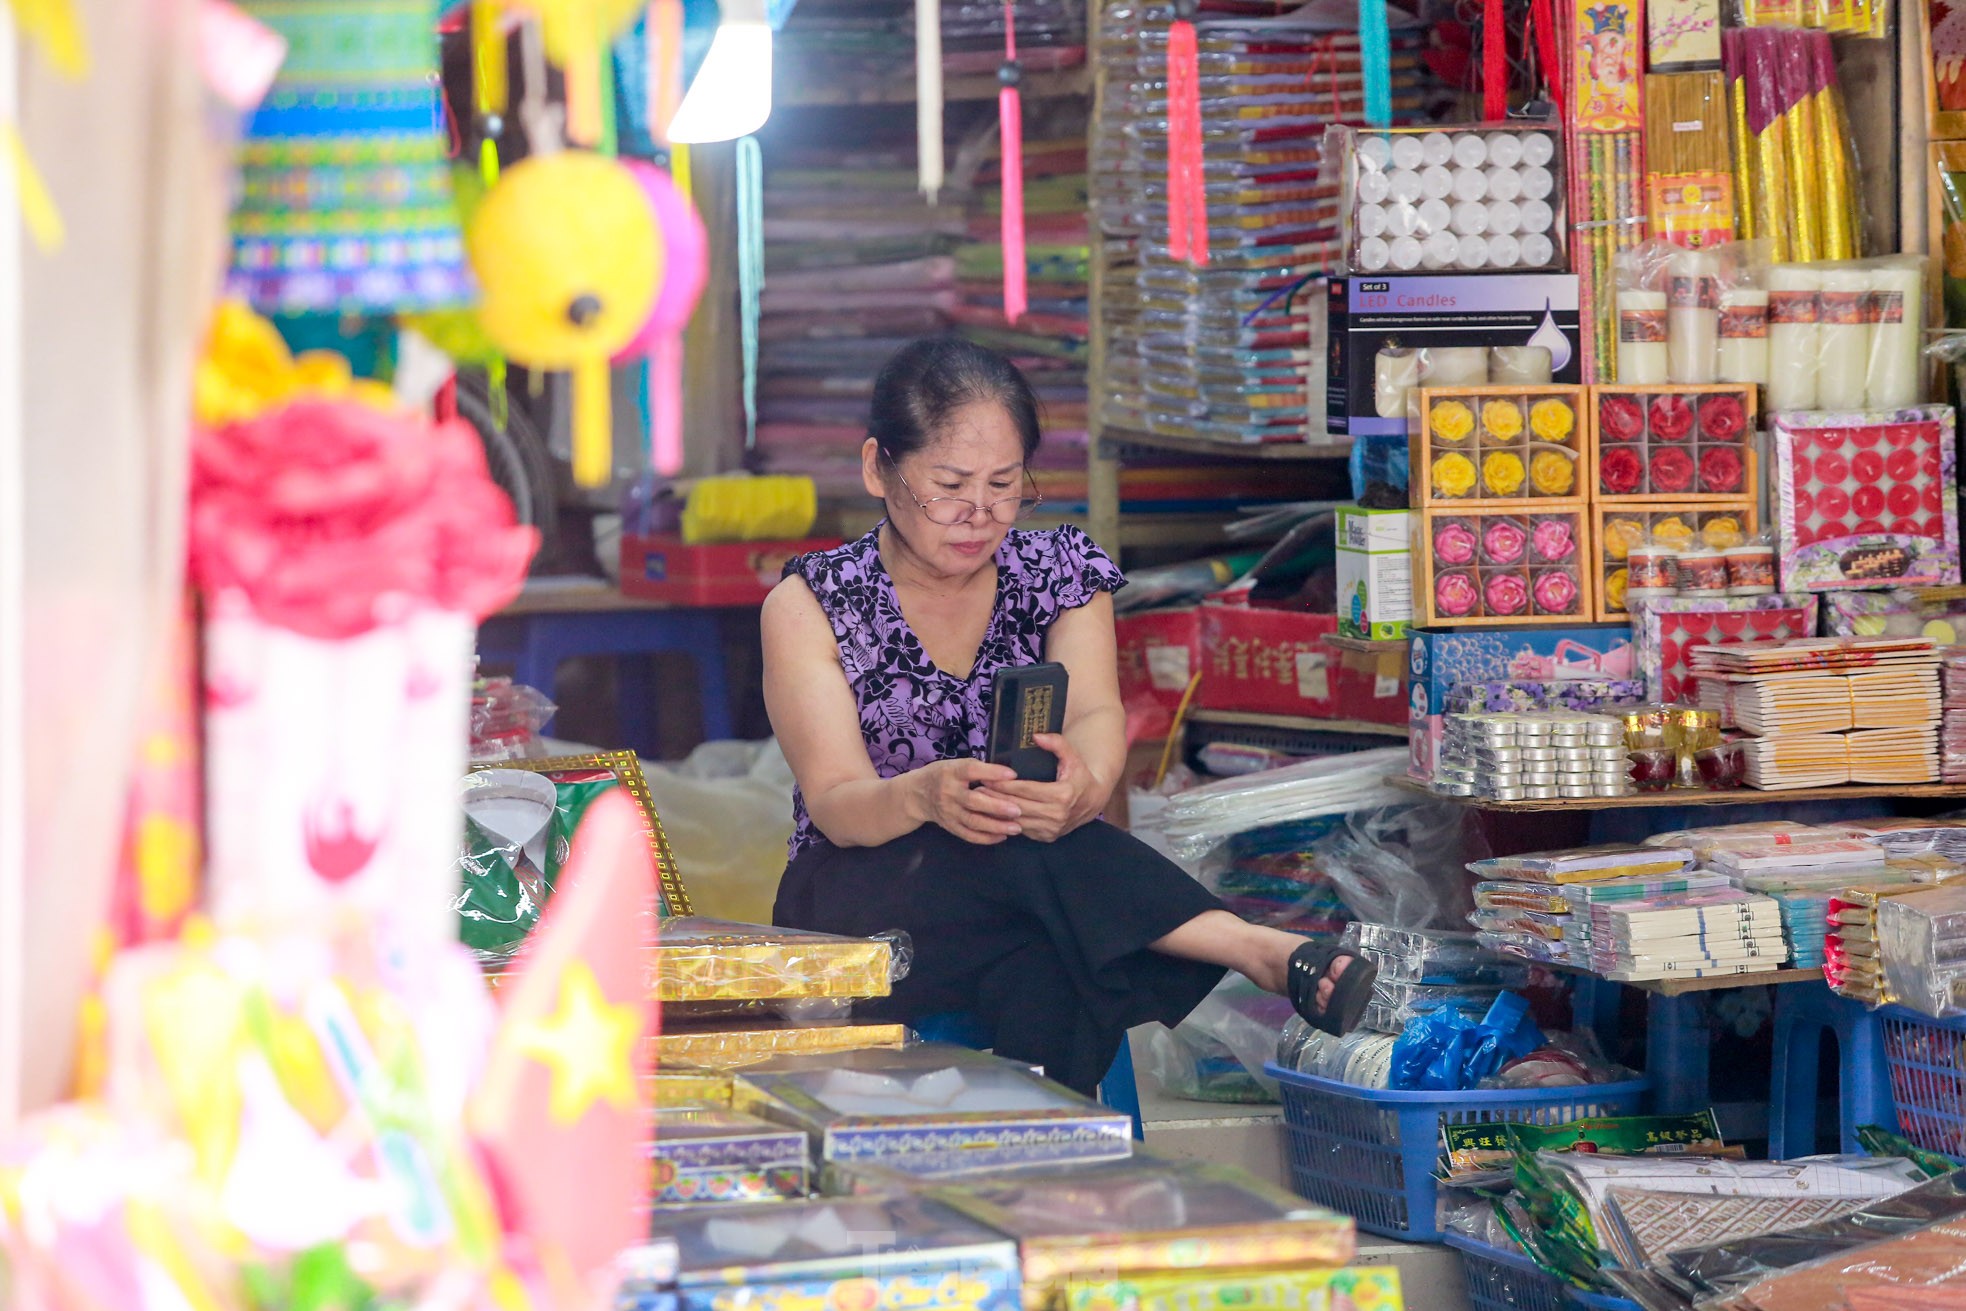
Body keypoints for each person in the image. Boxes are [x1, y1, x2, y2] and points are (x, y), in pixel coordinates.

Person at [761, 337, 1375, 1096]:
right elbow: (836, 801)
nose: (980, 514)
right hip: (864, 894)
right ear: (877, 468)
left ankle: (1061, 1161)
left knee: (1047, 950)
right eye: (949, 486)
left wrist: (1085, 783)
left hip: (1027, 889)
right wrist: (925, 795)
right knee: (1008, 840)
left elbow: (1093, 713)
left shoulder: (1060, 573)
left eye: (1004, 484)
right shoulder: (812, 603)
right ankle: (1253, 947)